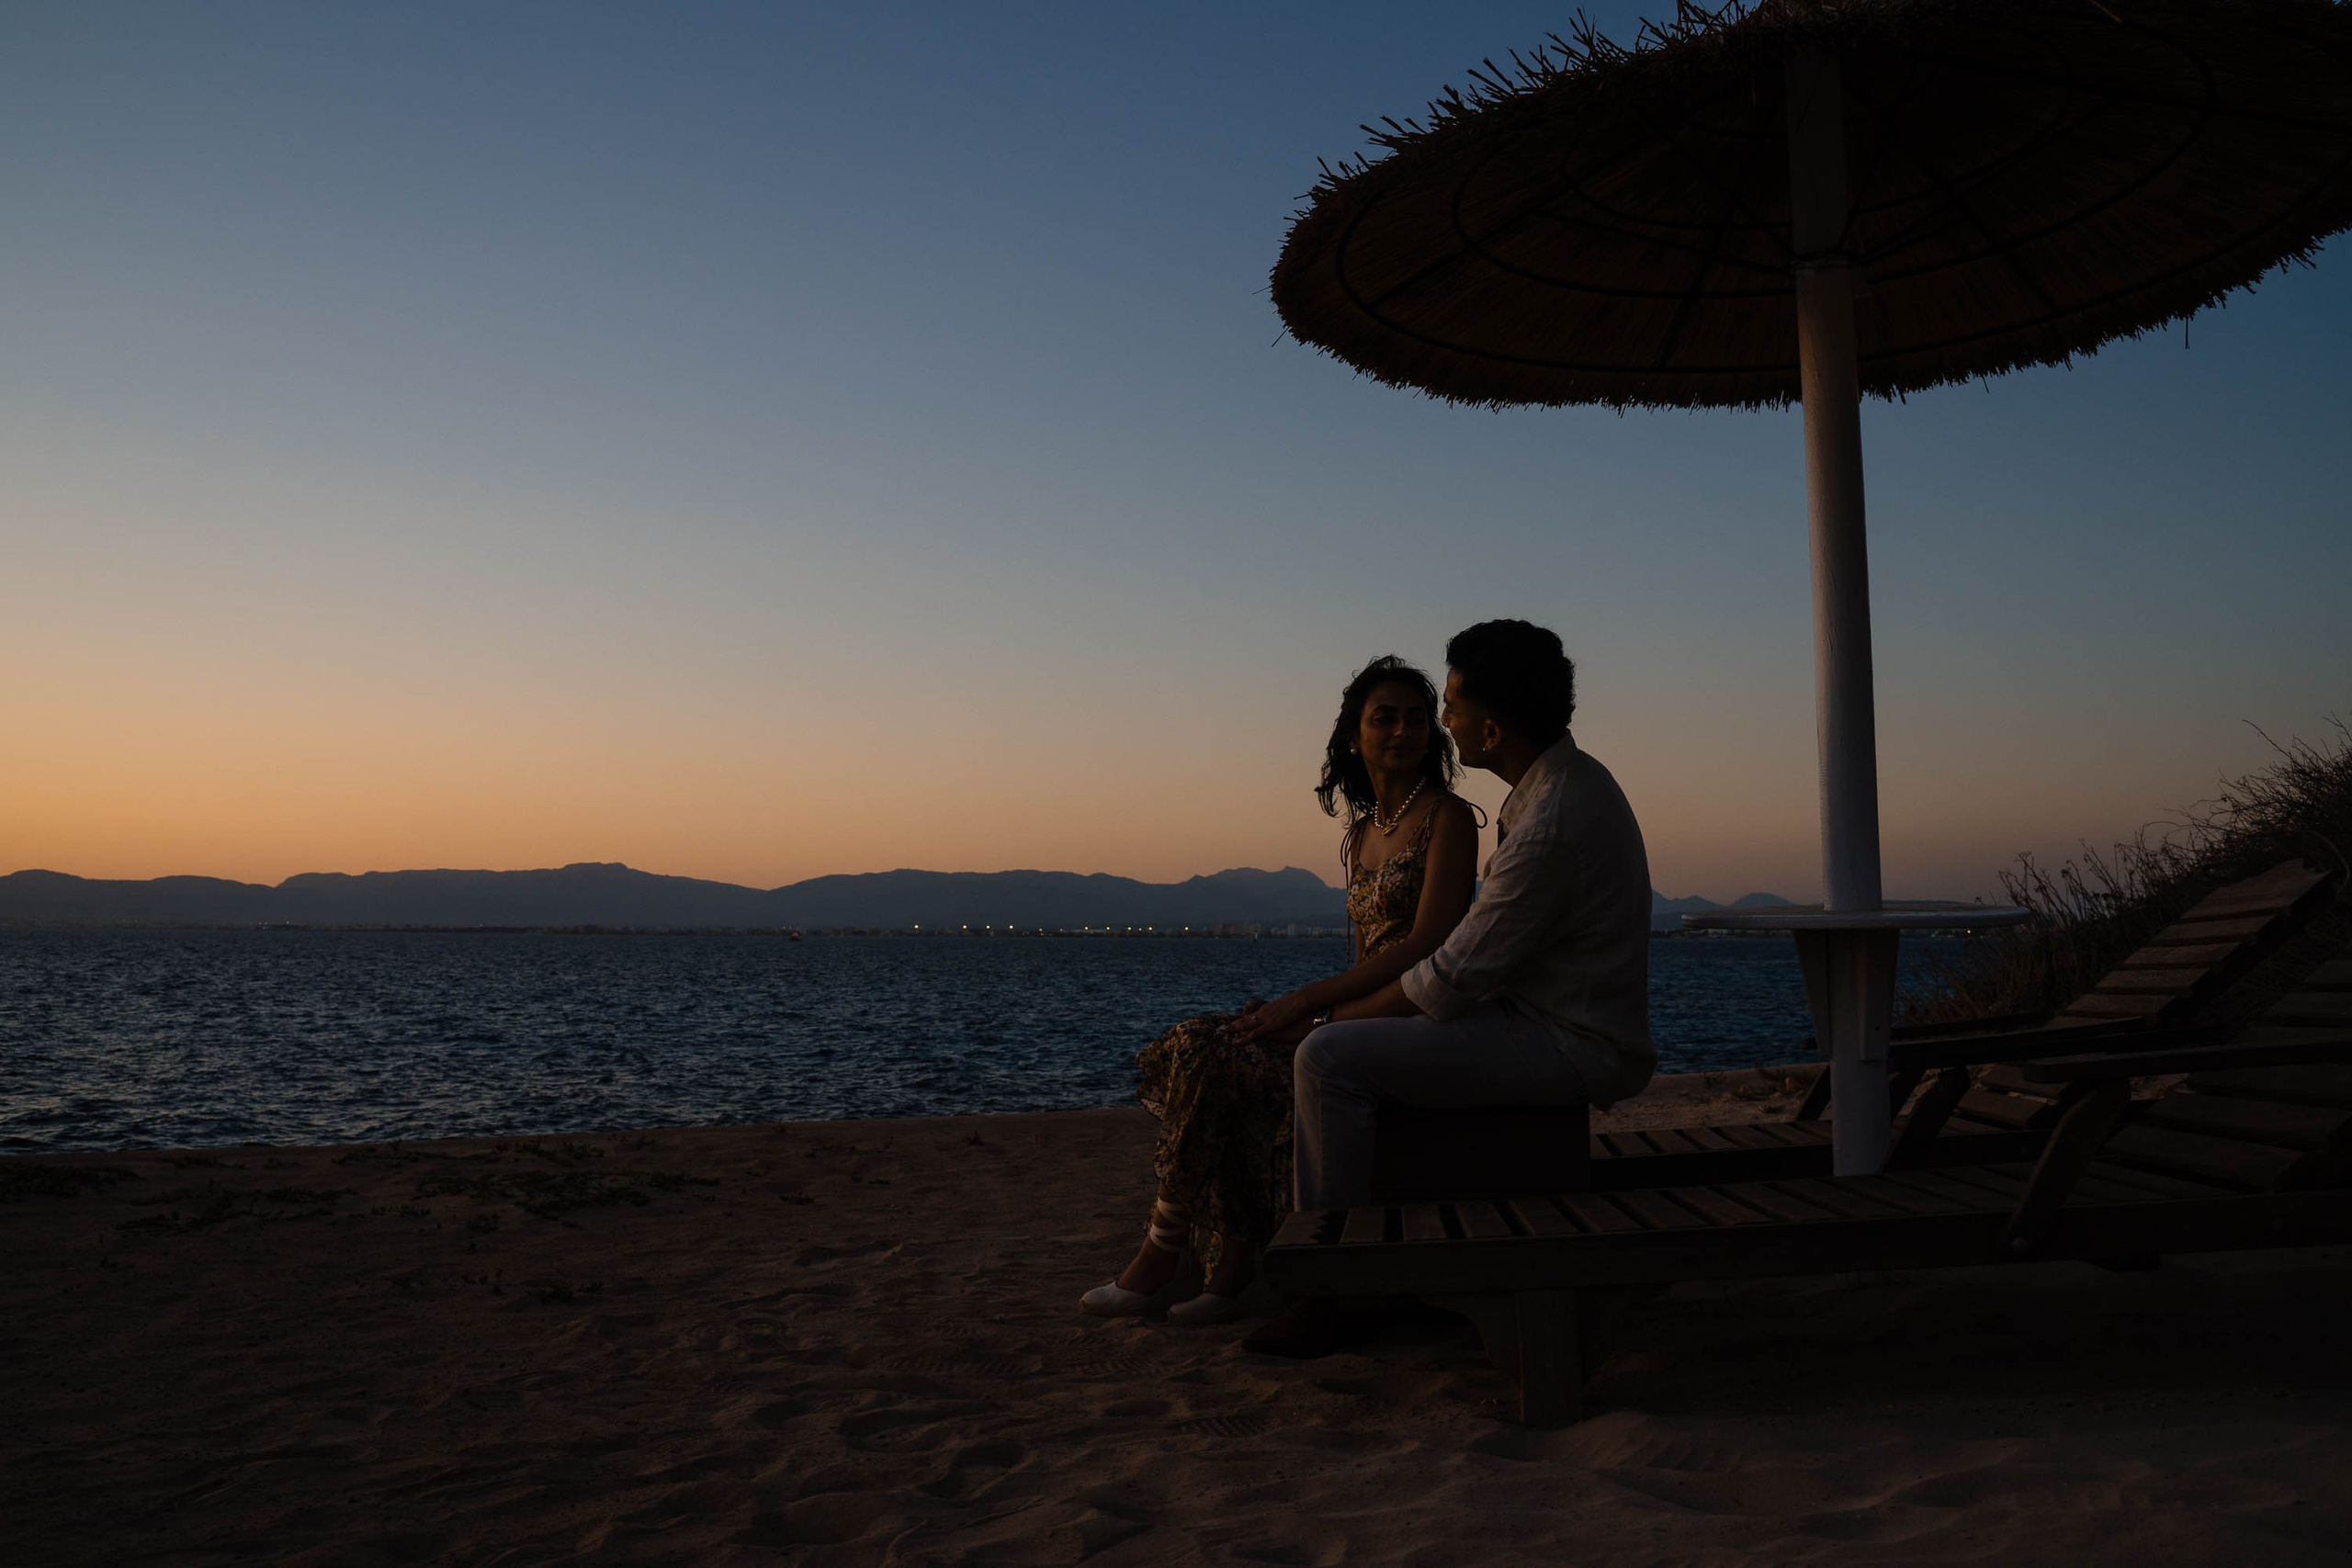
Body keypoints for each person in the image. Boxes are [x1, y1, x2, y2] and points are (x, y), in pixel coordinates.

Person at [1245, 619, 1655, 1359]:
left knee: (1330, 1061)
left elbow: (1450, 972)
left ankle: (1334, 1289)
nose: (1443, 721)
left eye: (1453, 704)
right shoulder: (1555, 789)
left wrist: (1321, 1018)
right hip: (1538, 1018)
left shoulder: (1553, 819)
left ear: (1491, 728)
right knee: (1337, 1045)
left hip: (1570, 1041)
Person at [1080, 656, 1480, 1325]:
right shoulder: (1358, 836)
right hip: (1362, 1015)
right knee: (1210, 1042)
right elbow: (1364, 954)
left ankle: (1169, 1249)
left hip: (1421, 1016)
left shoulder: (1449, 818)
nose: (1403, 730)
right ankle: (1227, 1256)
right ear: (1355, 735)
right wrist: (1316, 1012)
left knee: (1228, 1054)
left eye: (1416, 718)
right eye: (1385, 717)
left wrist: (1313, 1008)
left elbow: (1425, 946)